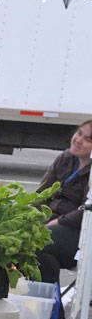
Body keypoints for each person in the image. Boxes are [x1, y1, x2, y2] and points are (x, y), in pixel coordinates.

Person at [35, 120, 92, 284]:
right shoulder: (65, 158)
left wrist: (56, 222)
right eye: (79, 133)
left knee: (39, 244)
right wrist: (27, 215)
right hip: (51, 222)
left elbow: (85, 211)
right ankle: (46, 301)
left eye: (87, 139)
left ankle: (50, 304)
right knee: (21, 239)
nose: (78, 140)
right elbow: (41, 194)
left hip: (79, 230)